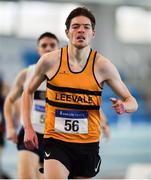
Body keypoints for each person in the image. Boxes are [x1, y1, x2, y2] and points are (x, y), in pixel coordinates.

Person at [22, 7, 138, 179]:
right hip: (56, 141)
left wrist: (124, 106)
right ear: (67, 32)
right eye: (76, 26)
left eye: (86, 27)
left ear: (93, 33)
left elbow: (132, 101)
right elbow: (28, 92)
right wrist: (28, 128)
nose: (81, 30)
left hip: (87, 145)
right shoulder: (49, 61)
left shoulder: (103, 66)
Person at [4, 32, 59, 179]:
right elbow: (9, 101)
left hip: (56, 138)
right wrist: (10, 127)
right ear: (38, 50)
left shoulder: (67, 76)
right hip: (30, 133)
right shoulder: (26, 74)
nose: (48, 48)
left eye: (52, 45)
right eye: (44, 45)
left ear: (59, 49)